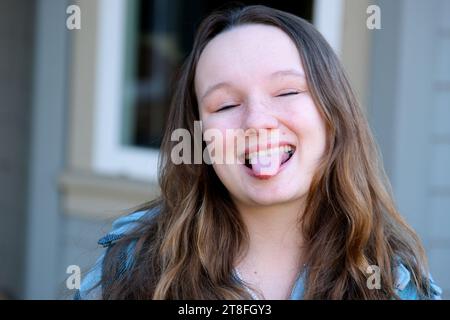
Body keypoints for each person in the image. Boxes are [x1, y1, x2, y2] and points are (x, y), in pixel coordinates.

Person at [75, 5, 442, 300]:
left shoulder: (395, 286)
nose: (257, 121)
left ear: (333, 116)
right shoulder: (132, 269)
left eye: (287, 92)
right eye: (225, 105)